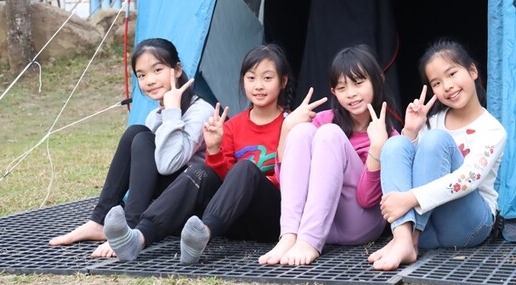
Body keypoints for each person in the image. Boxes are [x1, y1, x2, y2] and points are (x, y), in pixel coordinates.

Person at [101, 43, 293, 263]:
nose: (258, 86)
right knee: (201, 171)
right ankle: (138, 237)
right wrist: (213, 149)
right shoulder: (231, 126)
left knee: (246, 169)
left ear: (283, 81)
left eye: (267, 78)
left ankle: (203, 233)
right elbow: (221, 180)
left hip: (271, 220)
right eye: (251, 78)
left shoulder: (293, 123)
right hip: (231, 221)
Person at [49, 38, 213, 257]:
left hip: (189, 204)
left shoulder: (201, 111)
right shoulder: (154, 117)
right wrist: (167, 112)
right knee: (135, 134)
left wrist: (172, 111)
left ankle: (131, 227)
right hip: (161, 202)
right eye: (142, 75)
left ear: (177, 69)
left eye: (157, 70)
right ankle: (98, 220)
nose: (150, 80)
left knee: (142, 138)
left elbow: (168, 165)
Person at [369, 39, 506, 271]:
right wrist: (412, 131)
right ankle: (403, 240)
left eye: (452, 74)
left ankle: (408, 241)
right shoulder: (431, 122)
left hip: (469, 225)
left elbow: (468, 179)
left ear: (472, 70)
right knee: (396, 144)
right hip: (428, 231)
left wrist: (410, 199)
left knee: (437, 141)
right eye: (437, 83)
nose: (448, 86)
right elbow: (411, 168)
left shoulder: (492, 130)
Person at [259, 45, 399, 266]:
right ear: (334, 92)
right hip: (315, 222)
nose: (351, 93)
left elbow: (367, 199)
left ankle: (310, 242)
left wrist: (377, 148)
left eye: (359, 83)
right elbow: (286, 180)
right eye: (342, 87)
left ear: (378, 80)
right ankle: (288, 236)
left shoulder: (388, 134)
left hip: (358, 224)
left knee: (329, 134)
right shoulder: (323, 119)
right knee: (302, 130)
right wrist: (286, 130)